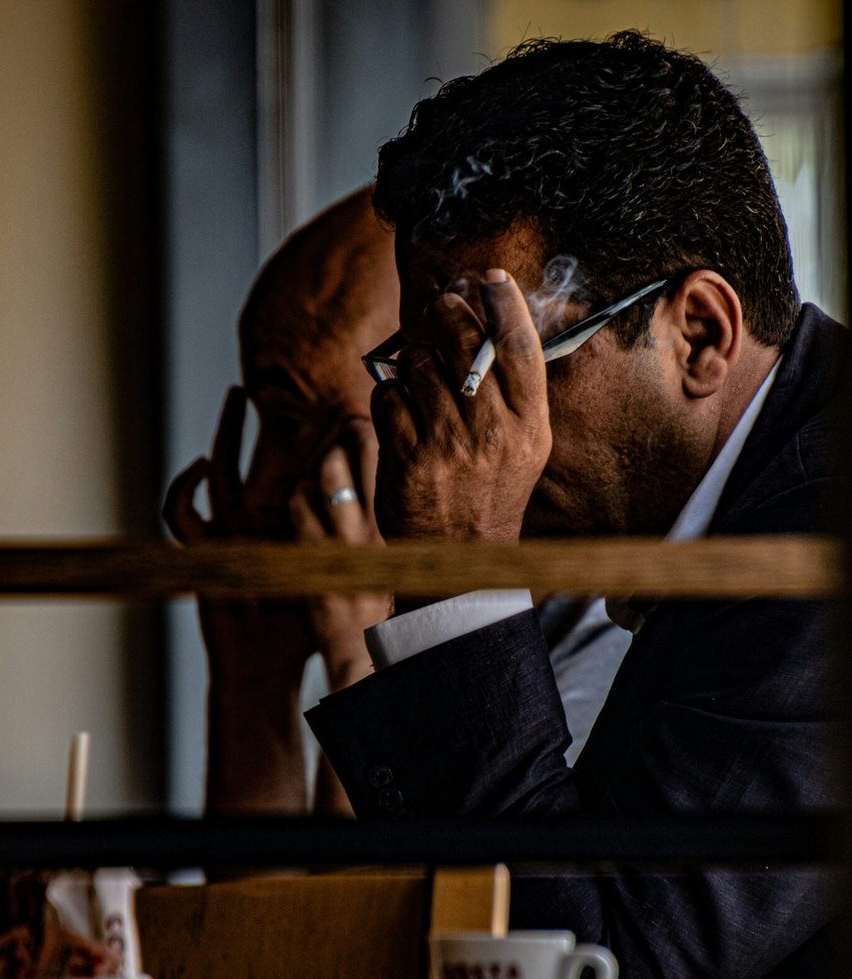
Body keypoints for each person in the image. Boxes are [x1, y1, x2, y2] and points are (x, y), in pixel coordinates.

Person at [302, 33, 844, 979]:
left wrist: (460, 576)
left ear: (700, 334)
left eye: (492, 361)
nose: (443, 436)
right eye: (422, 366)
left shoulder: (828, 546)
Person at [163, 188, 630, 817]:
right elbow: (253, 916)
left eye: (298, 422)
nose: (262, 485)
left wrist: (366, 654)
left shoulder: (608, 632)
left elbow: (381, 911)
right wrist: (252, 686)